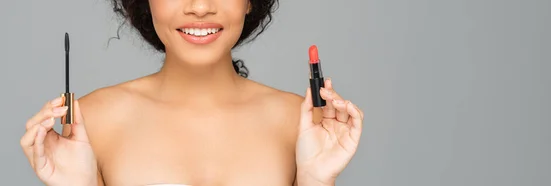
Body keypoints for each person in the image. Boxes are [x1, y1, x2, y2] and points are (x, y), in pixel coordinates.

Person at [20, 0, 364, 185]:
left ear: (249, 2)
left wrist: (317, 181)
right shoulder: (90, 122)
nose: (200, 7)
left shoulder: (302, 122)